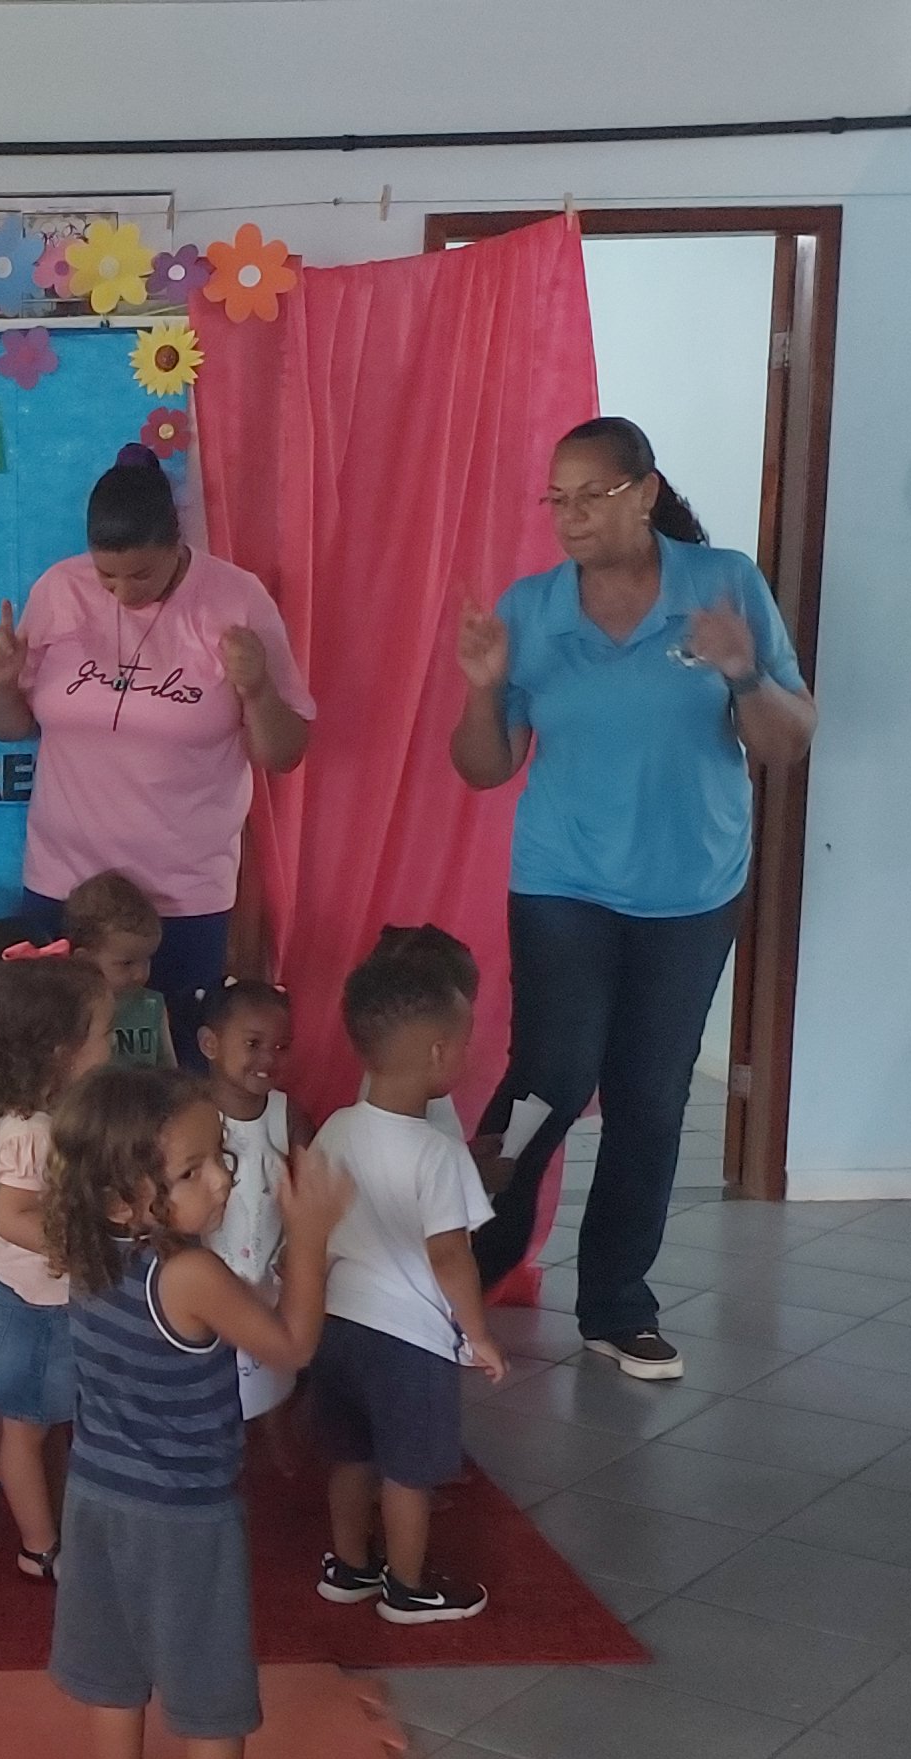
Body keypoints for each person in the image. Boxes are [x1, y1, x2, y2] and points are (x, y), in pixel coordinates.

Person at [452, 416, 816, 1383]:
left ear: (645, 492)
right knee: (548, 1082)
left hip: (689, 888)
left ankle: (618, 1305)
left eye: (592, 497)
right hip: (562, 880)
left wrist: (743, 670)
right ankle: (467, 1273)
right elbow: (484, 768)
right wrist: (483, 690)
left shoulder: (722, 584)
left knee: (651, 1096)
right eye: (557, 500)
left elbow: (787, 740)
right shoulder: (532, 609)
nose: (569, 517)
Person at [44, 1065, 349, 1759]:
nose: (222, 1179)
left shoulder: (88, 1252)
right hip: (184, 1509)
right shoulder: (189, 1274)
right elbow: (291, 1346)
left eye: (220, 1157)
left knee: (113, 1663)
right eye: (192, 1171)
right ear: (122, 1200)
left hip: (95, 1493)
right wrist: (310, 1239)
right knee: (208, 1669)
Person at [0, 448, 315, 1009]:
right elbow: (10, 728)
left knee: (171, 1046)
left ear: (177, 544)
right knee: (58, 1042)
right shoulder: (59, 590)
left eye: (141, 574)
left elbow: (285, 753)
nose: (123, 593)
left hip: (181, 895)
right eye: (106, 576)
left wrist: (257, 689)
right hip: (66, 884)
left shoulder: (236, 598)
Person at [307, 948, 512, 1625]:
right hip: (410, 1342)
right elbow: (450, 1255)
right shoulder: (439, 1152)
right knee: (408, 1471)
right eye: (463, 1044)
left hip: (337, 1326)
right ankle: (408, 1586)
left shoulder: (336, 1128)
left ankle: (349, 1567)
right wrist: (478, 1334)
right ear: (436, 1053)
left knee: (350, 1456)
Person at [0, 949, 111, 1584]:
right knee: (23, 1432)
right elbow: (13, 1216)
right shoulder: (30, 1131)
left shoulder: (64, 1120)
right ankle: (39, 1546)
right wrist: (80, 1245)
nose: (112, 1046)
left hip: (58, 1303)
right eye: (103, 1033)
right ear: (60, 1051)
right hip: (29, 1309)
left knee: (53, 1425)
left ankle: (60, 1527)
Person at [195, 980, 307, 1456]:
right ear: (210, 1044)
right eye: (254, 1044)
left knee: (271, 1363)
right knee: (210, 1369)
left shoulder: (285, 1114)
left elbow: (309, 1188)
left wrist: (300, 1250)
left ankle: (276, 1434)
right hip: (207, 1269)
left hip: (266, 1268)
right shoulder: (191, 1112)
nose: (268, 1059)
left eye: (281, 1047)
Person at [62, 874, 175, 1071]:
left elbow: (169, 1071)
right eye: (126, 963)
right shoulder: (69, 1011)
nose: (140, 974)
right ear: (84, 961)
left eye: (147, 959)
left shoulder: (153, 1005)